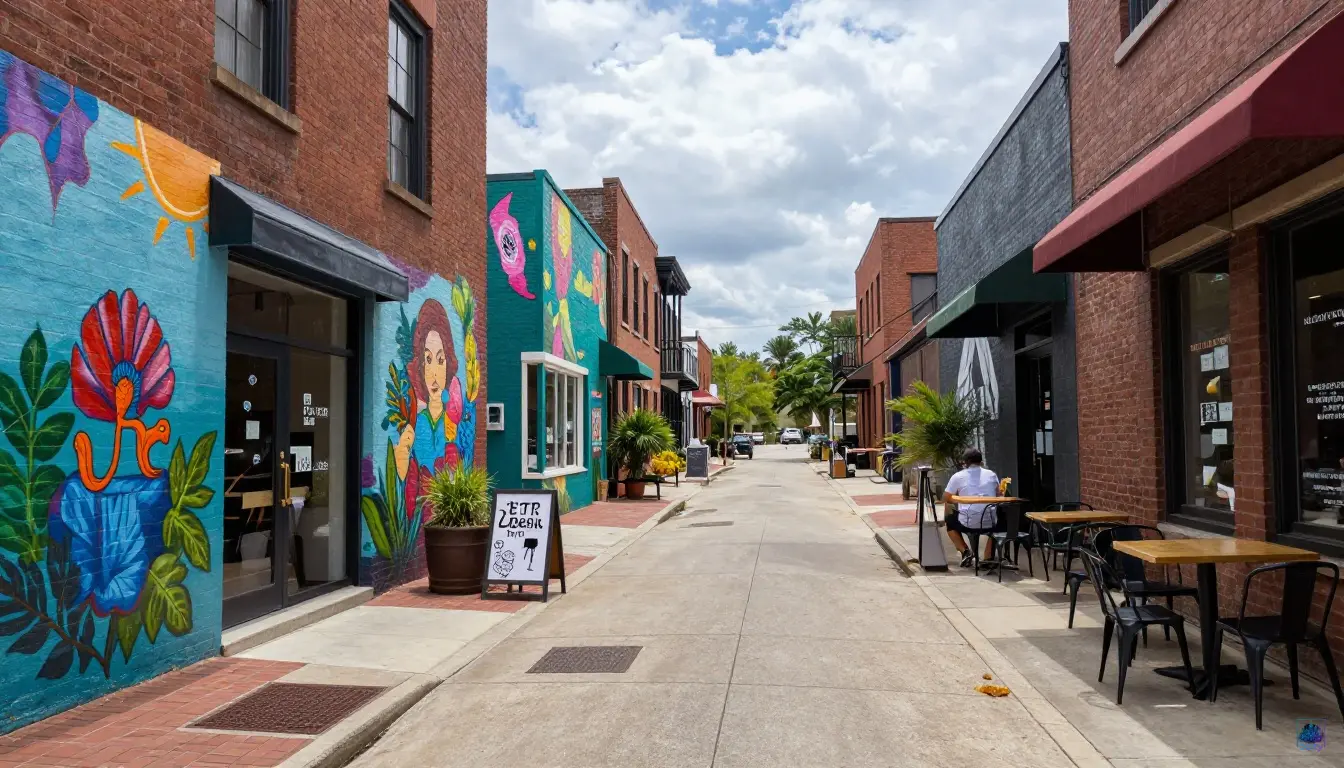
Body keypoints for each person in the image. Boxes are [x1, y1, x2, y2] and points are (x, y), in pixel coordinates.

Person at [942, 448, 1001, 568]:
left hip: (968, 523)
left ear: (966, 462)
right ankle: (988, 557)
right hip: (990, 521)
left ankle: (965, 551)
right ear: (981, 461)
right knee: (999, 520)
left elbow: (946, 498)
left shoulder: (958, 476)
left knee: (950, 521)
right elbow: (999, 495)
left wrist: (959, 498)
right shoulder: (991, 474)